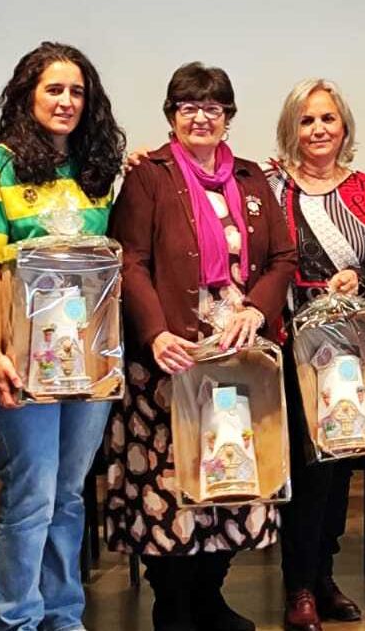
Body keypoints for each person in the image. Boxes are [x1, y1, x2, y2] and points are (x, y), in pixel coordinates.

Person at [104, 62, 296, 631]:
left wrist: (256, 311)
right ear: (171, 116)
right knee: (171, 486)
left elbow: (283, 258)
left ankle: (211, 596)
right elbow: (129, 259)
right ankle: (174, 602)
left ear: (229, 118)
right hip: (169, 358)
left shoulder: (252, 177)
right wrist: (155, 332)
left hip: (237, 356)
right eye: (188, 107)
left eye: (213, 108)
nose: (200, 117)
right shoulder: (148, 176)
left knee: (231, 482)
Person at [0, 42, 126, 631]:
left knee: (70, 494)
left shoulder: (98, 173)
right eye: (54, 89)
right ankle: (20, 619)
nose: (66, 101)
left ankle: (64, 615)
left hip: (86, 365)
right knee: (31, 496)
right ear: (27, 94)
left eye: (77, 91)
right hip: (18, 361)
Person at [265, 79, 365, 631]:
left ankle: (325, 574)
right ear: (292, 129)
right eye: (307, 120)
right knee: (309, 474)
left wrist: (361, 274)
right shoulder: (269, 186)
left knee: (341, 469)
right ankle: (299, 586)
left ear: (344, 127)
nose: (318, 130)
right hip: (291, 347)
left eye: (328, 119)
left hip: (350, 347)